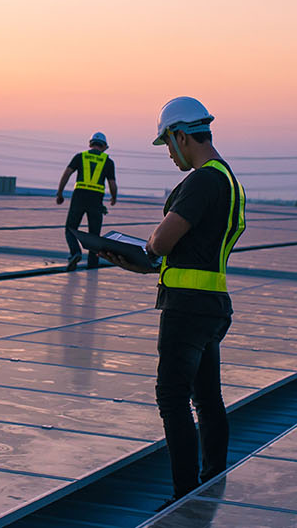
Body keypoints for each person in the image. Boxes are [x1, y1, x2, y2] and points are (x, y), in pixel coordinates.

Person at [99, 96, 246, 503]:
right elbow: (195, 251)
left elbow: (163, 240)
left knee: (172, 397)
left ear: (182, 136)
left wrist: (146, 246)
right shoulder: (229, 180)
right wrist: (141, 266)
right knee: (207, 397)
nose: (168, 152)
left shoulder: (202, 180)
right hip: (212, 303)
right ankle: (213, 476)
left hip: (187, 308)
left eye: (167, 143)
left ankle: (185, 492)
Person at [56, 131, 118, 270]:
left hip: (79, 197)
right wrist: (113, 197)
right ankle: (92, 265)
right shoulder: (107, 161)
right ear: (104, 146)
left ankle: (75, 252)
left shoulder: (80, 157)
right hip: (96, 200)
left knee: (70, 229)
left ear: (90, 144)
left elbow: (66, 174)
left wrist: (60, 193)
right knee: (94, 235)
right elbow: (112, 184)